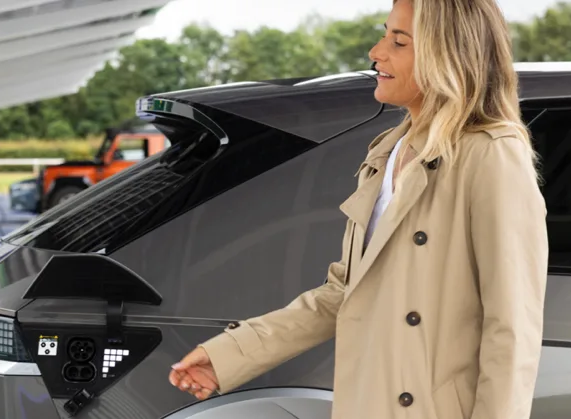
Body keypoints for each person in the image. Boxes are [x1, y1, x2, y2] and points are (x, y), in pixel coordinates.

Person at [168, 0, 548, 417]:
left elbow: (511, 329)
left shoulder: (492, 156)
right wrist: (231, 354)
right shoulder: (388, 151)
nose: (376, 51)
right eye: (385, 33)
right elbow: (345, 294)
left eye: (398, 41)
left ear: (447, 54)